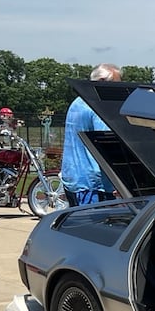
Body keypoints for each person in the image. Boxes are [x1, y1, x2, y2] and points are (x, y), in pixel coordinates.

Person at [60, 62, 119, 206]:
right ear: (102, 82)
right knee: (98, 226)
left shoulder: (77, 102)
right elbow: (107, 141)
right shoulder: (96, 105)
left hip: (72, 178)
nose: (117, 89)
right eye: (116, 85)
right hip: (92, 184)